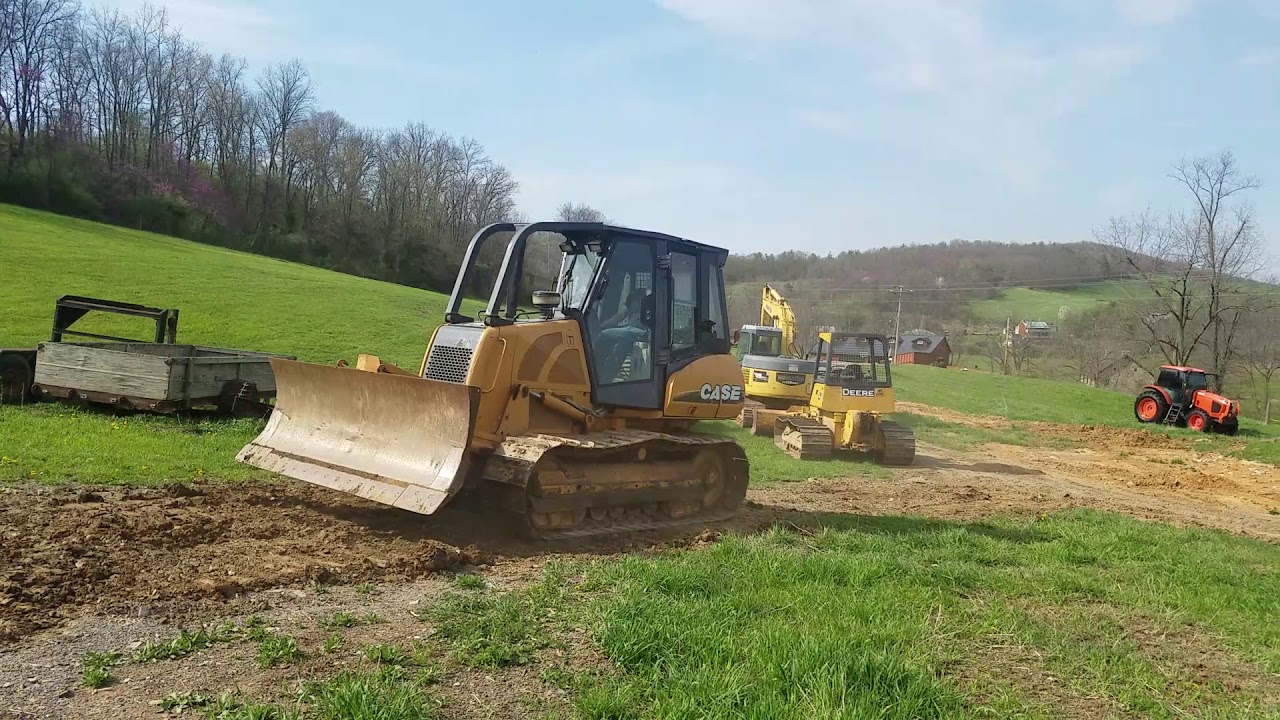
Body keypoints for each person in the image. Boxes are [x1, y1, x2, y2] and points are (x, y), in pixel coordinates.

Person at [597, 289, 650, 380]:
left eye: (633, 303)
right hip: (630, 329)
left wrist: (600, 329)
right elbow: (618, 317)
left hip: (640, 332)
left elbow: (619, 317)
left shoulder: (650, 301)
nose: (631, 306)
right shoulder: (635, 297)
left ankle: (607, 376)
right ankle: (599, 367)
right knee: (604, 335)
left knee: (621, 335)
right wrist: (601, 327)